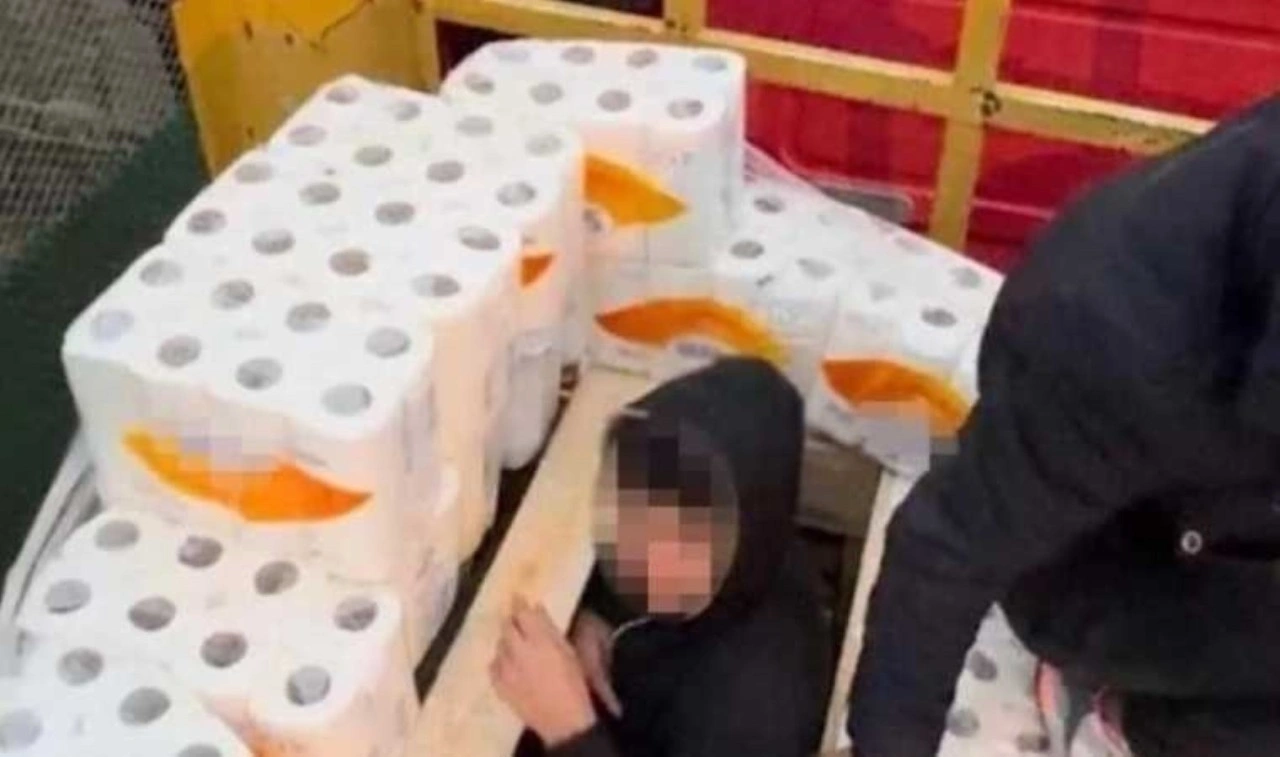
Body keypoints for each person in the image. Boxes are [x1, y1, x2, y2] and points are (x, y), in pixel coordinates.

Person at [848, 95, 1280, 757]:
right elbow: (943, 550)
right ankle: (1141, 720)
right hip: (1102, 561)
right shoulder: (1115, 349)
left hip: (1223, 494)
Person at [491, 358, 832, 756]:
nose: (633, 544)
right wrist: (599, 611)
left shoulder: (753, 715)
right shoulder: (750, 549)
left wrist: (571, 730)